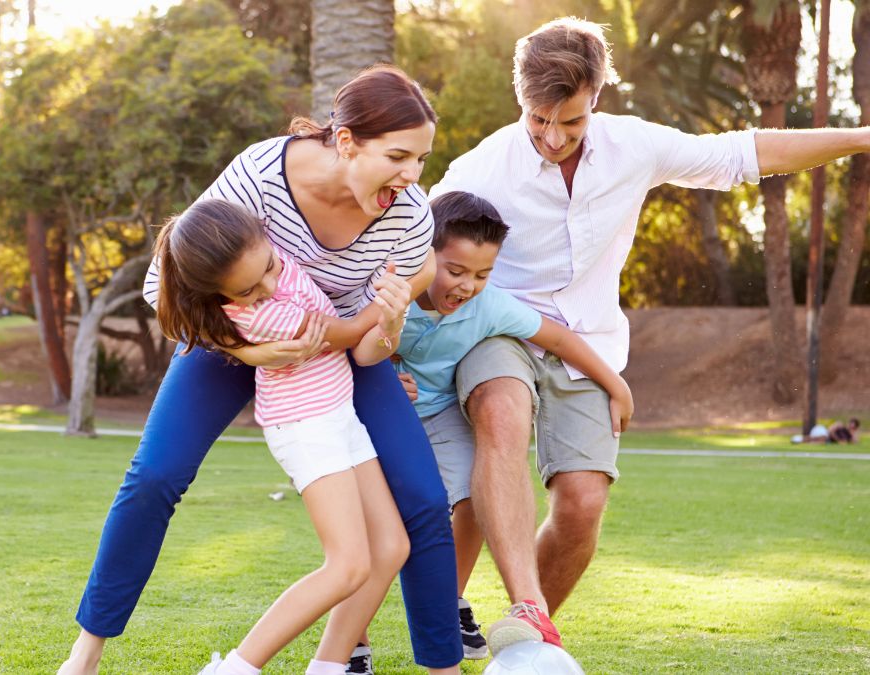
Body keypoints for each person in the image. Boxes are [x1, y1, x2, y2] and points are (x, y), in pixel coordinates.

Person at [429, 16, 870, 652]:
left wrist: (860, 136)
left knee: (580, 504)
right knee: (501, 412)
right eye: (538, 120)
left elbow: (746, 154)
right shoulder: (481, 169)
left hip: (591, 342)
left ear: (598, 99)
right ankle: (524, 606)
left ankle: (523, 635)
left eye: (571, 122)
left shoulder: (632, 146)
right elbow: (413, 242)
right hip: (501, 331)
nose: (553, 137)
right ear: (521, 101)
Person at [60, 65, 464, 675]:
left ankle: (436, 667)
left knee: (425, 501)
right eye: (399, 156)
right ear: (347, 141)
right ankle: (85, 655)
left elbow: (409, 283)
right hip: (231, 340)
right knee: (155, 477)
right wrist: (246, 352)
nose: (413, 178)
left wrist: (396, 311)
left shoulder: (405, 214)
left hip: (340, 349)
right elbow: (159, 285)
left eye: (422, 160)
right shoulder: (259, 175)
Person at [152, 198, 411, 675]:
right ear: (220, 294)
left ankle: (329, 667)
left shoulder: (271, 256)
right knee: (349, 564)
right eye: (249, 289)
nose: (270, 286)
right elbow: (353, 330)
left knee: (392, 547)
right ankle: (235, 668)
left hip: (338, 415)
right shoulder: (261, 317)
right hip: (305, 425)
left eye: (269, 267)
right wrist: (402, 287)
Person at [388, 191, 632, 658]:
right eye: (456, 271)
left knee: (476, 498)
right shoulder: (391, 293)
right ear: (422, 252)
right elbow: (353, 346)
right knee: (380, 531)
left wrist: (615, 385)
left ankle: (448, 603)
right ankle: (351, 646)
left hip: (439, 416)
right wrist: (382, 378)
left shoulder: (489, 306)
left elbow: (557, 336)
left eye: (481, 274)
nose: (466, 286)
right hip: (387, 419)